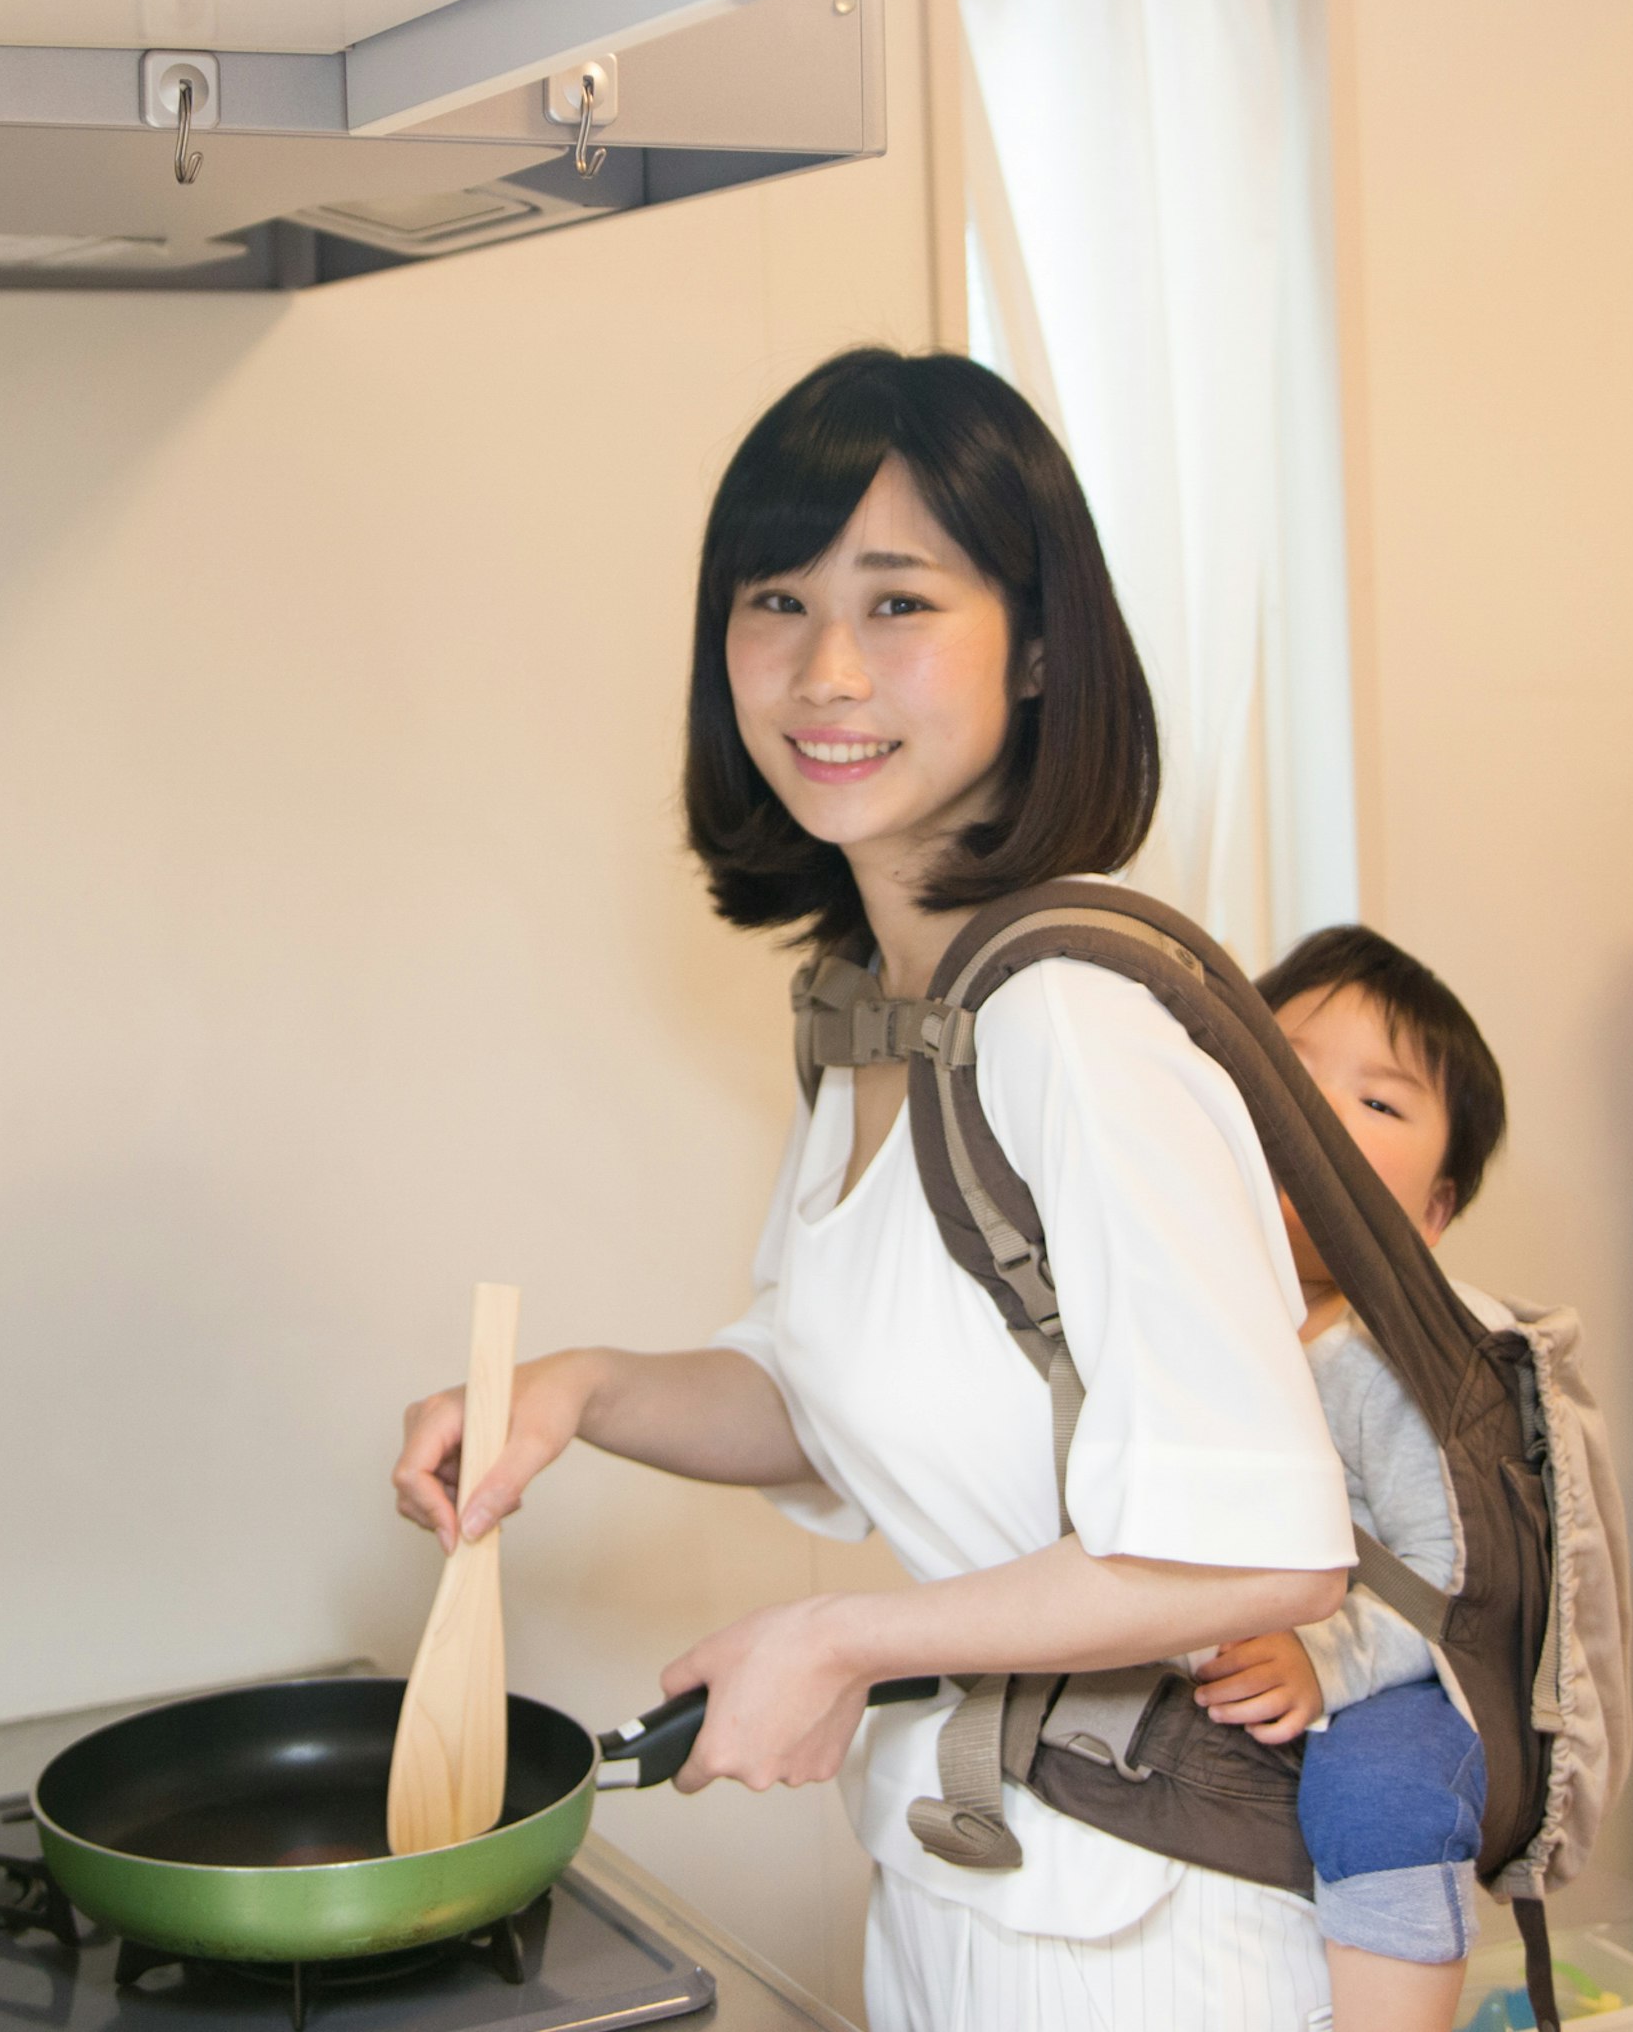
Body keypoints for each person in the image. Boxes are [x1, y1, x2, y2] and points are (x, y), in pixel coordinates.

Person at [392, 348, 1357, 2027]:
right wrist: (580, 1391)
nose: (826, 671)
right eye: (777, 600)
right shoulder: (876, 1013)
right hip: (973, 1885)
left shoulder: (1072, 1031)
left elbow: (1256, 1552)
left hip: (1159, 1940)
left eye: (899, 602)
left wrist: (842, 1644)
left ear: (1040, 645)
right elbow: (838, 1396)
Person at [1188, 929, 1518, 2032]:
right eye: (1284, 1071)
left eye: (1378, 1105)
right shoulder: (1200, 1311)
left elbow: (1452, 1584)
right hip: (1258, 1623)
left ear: (1432, 1214)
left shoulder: (1392, 1355)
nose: (1316, 1114)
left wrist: (1325, 1660)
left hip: (1407, 1665)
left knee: (1390, 1790)